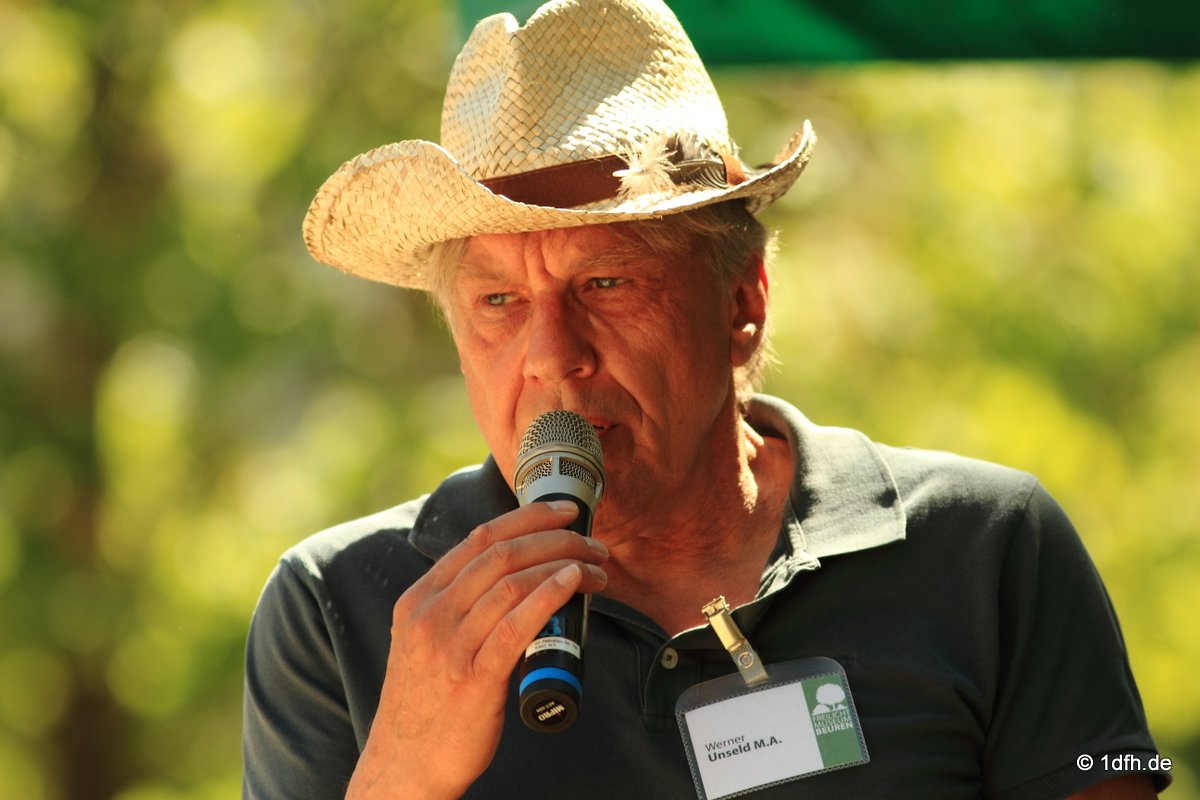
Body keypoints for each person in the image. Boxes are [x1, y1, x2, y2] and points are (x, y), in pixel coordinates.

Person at [243, 1, 1170, 797]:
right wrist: (401, 776)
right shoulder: (337, 604)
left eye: (606, 283)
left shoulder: (986, 546)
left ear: (741, 305)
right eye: (499, 303)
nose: (554, 357)